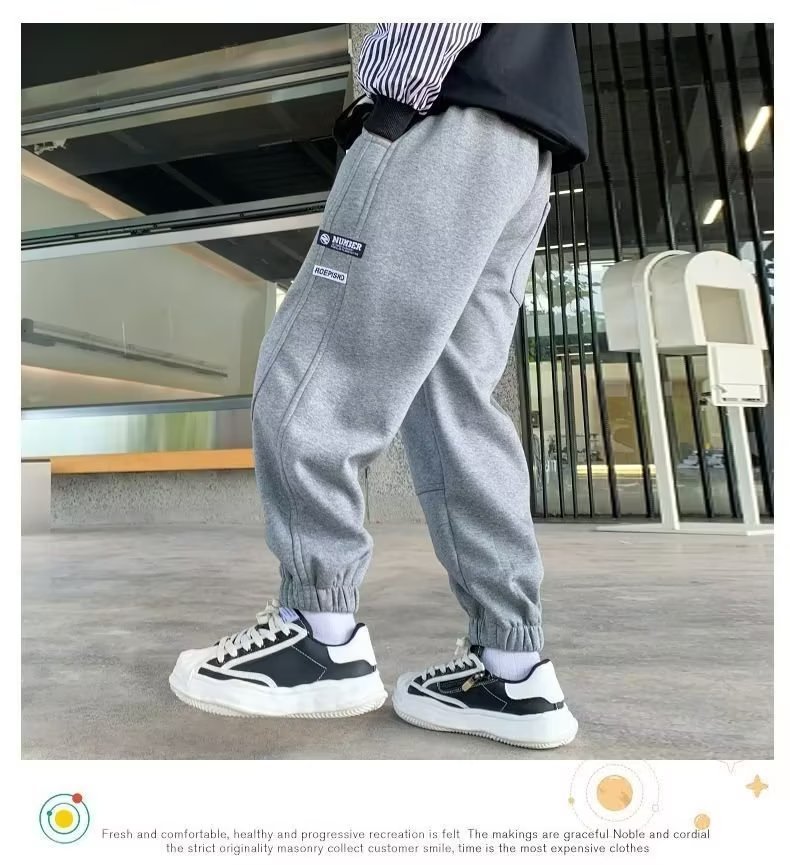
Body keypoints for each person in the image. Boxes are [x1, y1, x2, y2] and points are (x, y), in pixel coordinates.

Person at [170, 23, 588, 748]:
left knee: (316, 365)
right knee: (454, 403)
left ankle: (318, 636)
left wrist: (393, 101)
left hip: (439, 109)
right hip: (526, 146)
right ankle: (512, 666)